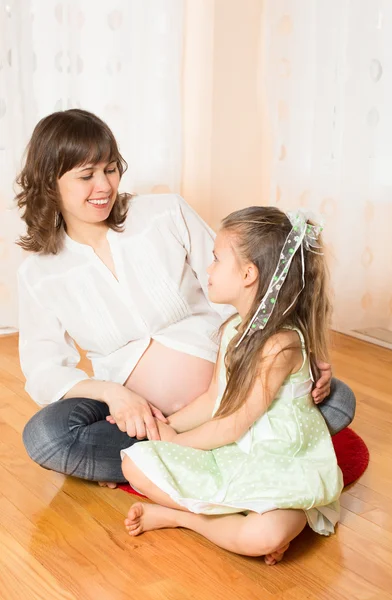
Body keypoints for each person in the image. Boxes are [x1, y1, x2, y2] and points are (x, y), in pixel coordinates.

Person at [17, 109, 355, 489]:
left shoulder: (165, 213)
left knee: (338, 399)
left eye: (111, 169)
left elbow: (242, 284)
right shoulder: (40, 272)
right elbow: (44, 371)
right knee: (47, 435)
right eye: (86, 176)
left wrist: (294, 358)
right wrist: (113, 394)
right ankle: (221, 450)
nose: (105, 186)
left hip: (232, 388)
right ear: (50, 182)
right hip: (139, 419)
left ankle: (165, 458)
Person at [120, 206, 344, 565]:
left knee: (264, 534)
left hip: (284, 462)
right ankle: (226, 517)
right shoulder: (233, 331)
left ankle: (184, 518)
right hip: (236, 451)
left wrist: (178, 443)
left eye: (215, 260)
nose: (207, 269)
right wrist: (168, 427)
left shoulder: (281, 345)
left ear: (248, 274)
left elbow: (235, 421)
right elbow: (213, 400)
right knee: (133, 465)